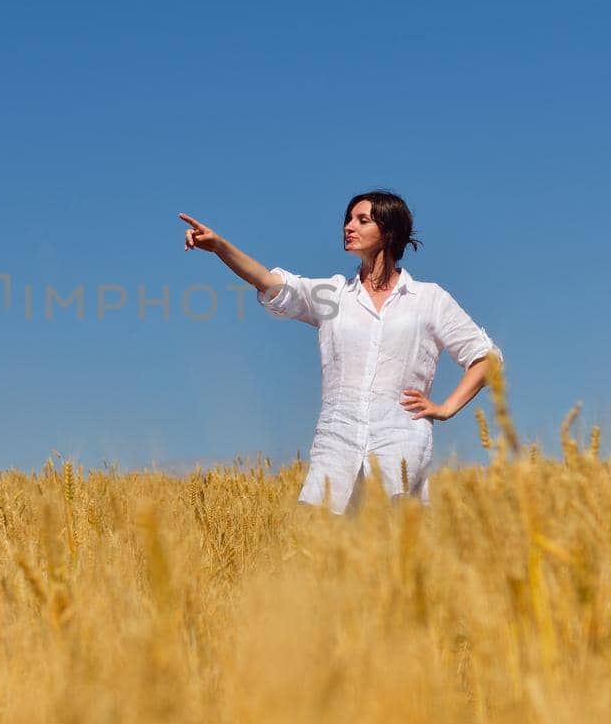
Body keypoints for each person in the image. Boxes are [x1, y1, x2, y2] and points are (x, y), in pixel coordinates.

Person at [177, 190, 501, 512]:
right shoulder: (333, 295)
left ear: (389, 232)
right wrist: (220, 247)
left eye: (362, 220)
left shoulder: (429, 299)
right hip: (336, 448)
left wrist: (446, 408)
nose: (349, 226)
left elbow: (485, 357)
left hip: (399, 448)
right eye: (348, 219)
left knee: (395, 556)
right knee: (325, 556)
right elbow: (269, 282)